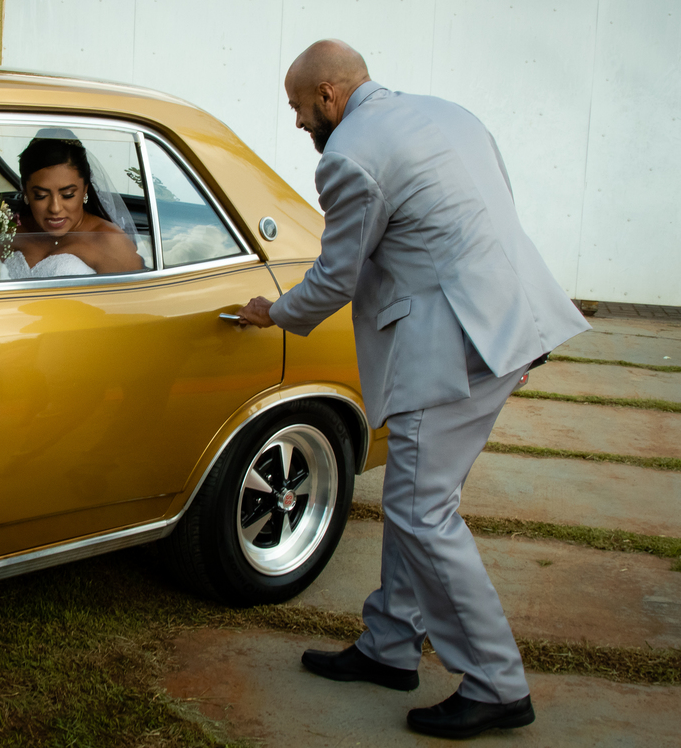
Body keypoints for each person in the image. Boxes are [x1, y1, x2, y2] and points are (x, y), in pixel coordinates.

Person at [235, 39, 589, 740]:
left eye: (300, 110)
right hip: (513, 324)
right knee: (420, 496)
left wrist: (273, 312)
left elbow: (337, 276)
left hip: (451, 352)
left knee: (423, 511)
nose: (300, 124)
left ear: (329, 96)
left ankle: (494, 683)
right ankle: (390, 646)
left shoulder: (349, 155)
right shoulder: (449, 114)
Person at [1, 138, 143, 278]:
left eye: (68, 195)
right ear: (26, 192)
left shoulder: (109, 241)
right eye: (41, 195)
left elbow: (136, 298)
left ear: (84, 190)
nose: (55, 208)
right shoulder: (12, 230)